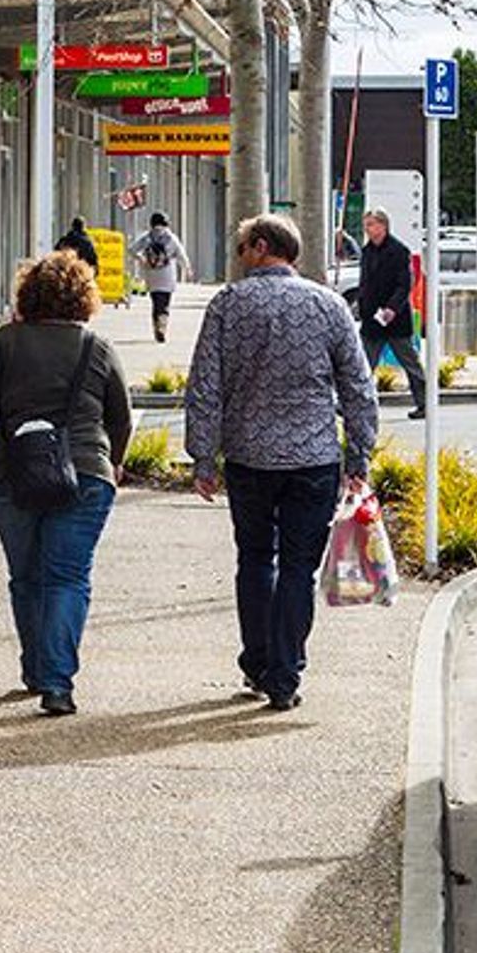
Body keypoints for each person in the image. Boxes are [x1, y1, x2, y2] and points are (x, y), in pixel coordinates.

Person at [183, 213, 378, 712]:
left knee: (254, 558)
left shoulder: (228, 304)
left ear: (263, 247)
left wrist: (203, 456)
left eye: (243, 245)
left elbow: (205, 385)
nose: (239, 254)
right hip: (314, 458)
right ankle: (285, 674)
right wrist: (359, 454)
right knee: (298, 567)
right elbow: (358, 387)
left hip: (249, 457)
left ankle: (258, 660)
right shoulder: (329, 305)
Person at [0, 251, 133, 717]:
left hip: (11, 473)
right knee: (67, 576)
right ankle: (56, 682)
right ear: (83, 297)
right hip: (85, 471)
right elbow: (120, 418)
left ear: (28, 295)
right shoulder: (98, 347)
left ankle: (35, 667)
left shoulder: (5, 342)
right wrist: (116, 462)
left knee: (26, 576)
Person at [354, 209, 429, 419]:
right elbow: (365, 283)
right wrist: (362, 306)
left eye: (371, 224)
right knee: (363, 365)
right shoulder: (367, 251)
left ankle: (424, 404)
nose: (367, 229)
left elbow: (405, 284)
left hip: (395, 318)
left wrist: (392, 308)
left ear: (382, 226)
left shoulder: (398, 250)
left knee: (410, 362)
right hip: (372, 319)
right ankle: (358, 405)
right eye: (366, 225)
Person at [133, 210, 191, 343]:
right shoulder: (171, 237)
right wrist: (187, 268)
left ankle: (156, 326)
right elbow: (181, 254)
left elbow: (131, 249)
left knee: (155, 303)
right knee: (164, 303)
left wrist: (141, 258)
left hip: (151, 275)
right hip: (167, 276)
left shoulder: (147, 237)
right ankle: (162, 326)